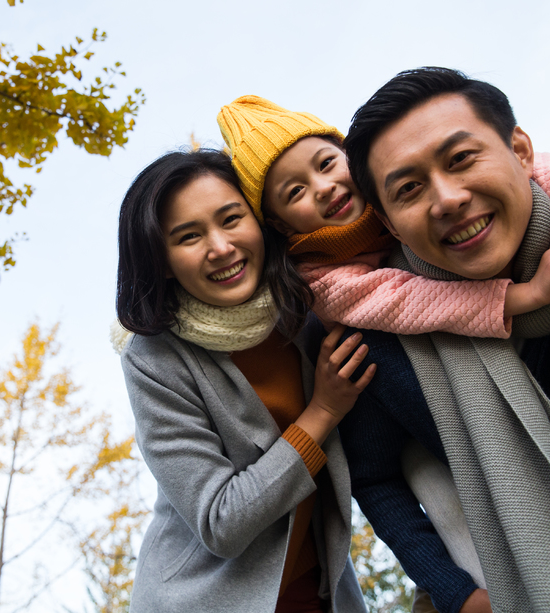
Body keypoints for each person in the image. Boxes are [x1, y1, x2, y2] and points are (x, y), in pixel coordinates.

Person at [338, 66, 550, 613]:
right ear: (389, 225)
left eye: (461, 159)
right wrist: (453, 591)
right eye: (409, 189)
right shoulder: (383, 336)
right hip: (514, 586)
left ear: (522, 151)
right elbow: (373, 475)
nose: (448, 199)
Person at [114, 148, 375, 612]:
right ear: (162, 262)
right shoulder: (155, 358)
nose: (220, 247)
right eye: (189, 236)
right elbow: (221, 523)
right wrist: (324, 412)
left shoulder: (310, 310)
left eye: (231, 219)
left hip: (322, 594)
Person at [216, 95, 550, 339]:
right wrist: (526, 296)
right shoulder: (319, 278)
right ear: (282, 225)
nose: (323, 187)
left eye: (327, 163)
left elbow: (496, 168)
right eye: (296, 191)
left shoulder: (392, 188)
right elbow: (409, 301)